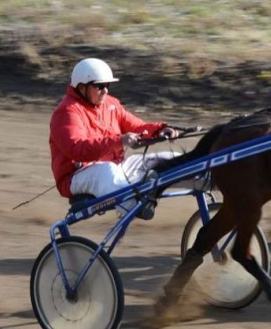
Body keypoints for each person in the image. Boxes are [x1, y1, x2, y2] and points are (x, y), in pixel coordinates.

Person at [49, 57, 178, 215]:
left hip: (116, 168)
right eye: (100, 86)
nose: (106, 91)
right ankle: (135, 206)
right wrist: (119, 141)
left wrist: (160, 130)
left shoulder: (111, 104)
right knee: (106, 170)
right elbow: (78, 149)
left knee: (168, 158)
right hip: (76, 177)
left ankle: (207, 180)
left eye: (107, 85)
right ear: (82, 88)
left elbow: (137, 127)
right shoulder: (67, 112)